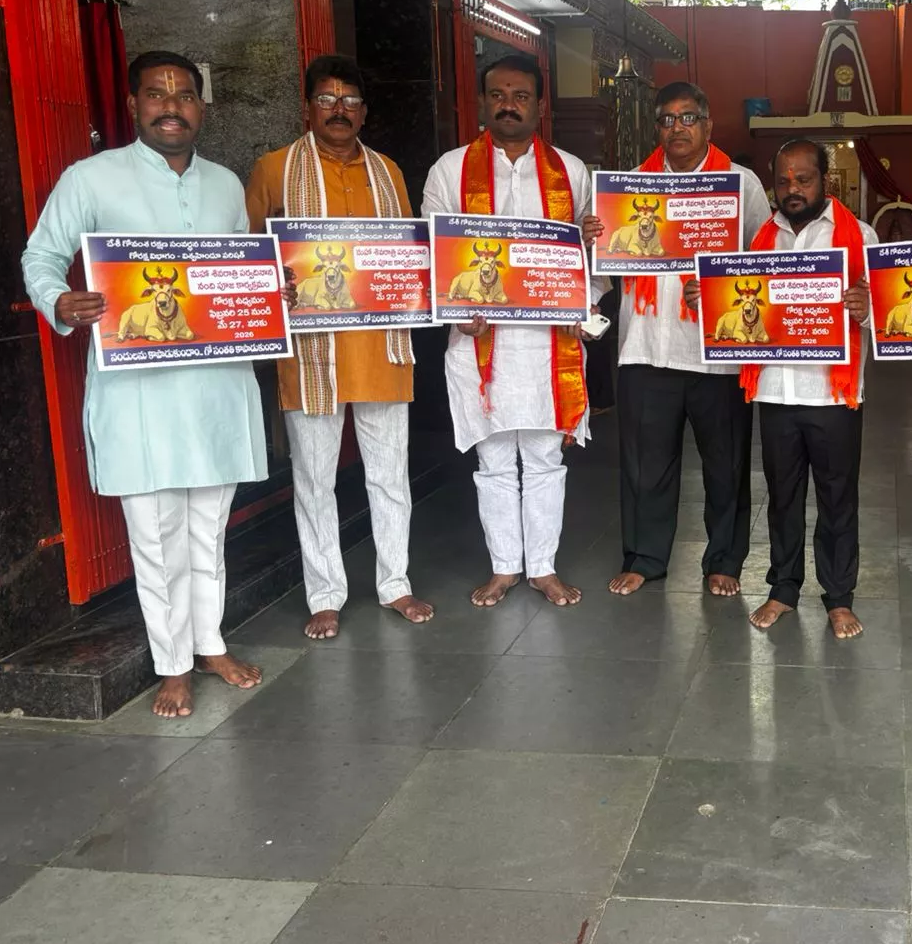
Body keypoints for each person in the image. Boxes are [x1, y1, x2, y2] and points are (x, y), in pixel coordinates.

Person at [21, 51, 265, 718]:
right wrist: (58, 299)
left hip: (216, 386)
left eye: (185, 94)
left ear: (202, 107)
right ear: (132, 105)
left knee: (208, 529)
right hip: (140, 394)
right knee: (156, 537)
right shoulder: (91, 178)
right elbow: (40, 254)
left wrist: (273, 291)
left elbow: (241, 270)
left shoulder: (223, 184)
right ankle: (172, 664)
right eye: (156, 93)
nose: (171, 105)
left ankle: (211, 643)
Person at [246, 54, 432, 641]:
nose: (339, 110)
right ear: (308, 107)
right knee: (314, 479)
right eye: (327, 100)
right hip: (310, 357)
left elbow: (404, 256)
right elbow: (249, 256)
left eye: (350, 101)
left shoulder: (389, 171)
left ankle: (394, 583)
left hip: (381, 349)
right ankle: (325, 593)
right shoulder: (274, 169)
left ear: (364, 111)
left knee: (389, 475)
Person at [422, 53, 605, 608]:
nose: (509, 103)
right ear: (482, 102)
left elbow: (596, 257)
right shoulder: (449, 170)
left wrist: (586, 300)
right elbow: (433, 254)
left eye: (521, 95)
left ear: (540, 106)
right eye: (498, 94)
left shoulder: (572, 172)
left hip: (550, 341)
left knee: (547, 457)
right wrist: (457, 311)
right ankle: (504, 565)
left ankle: (543, 567)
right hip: (484, 340)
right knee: (494, 460)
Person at [590, 81, 771, 598]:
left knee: (726, 466)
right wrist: (592, 244)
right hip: (647, 349)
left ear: (708, 125)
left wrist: (718, 288)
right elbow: (605, 270)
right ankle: (645, 557)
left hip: (717, 353)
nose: (677, 128)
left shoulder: (740, 185)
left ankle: (725, 560)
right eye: (666, 120)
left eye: (687, 118)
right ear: (657, 129)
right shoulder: (627, 191)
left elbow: (764, 263)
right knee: (646, 467)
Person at [704, 139, 875, 639]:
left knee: (838, 497)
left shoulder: (859, 236)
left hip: (834, 395)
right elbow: (737, 303)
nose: (793, 189)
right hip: (777, 390)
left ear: (826, 181)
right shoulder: (760, 240)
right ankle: (783, 589)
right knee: (782, 497)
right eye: (783, 181)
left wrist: (868, 309)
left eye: (804, 179)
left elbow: (889, 314)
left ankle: (839, 598)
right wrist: (707, 296)